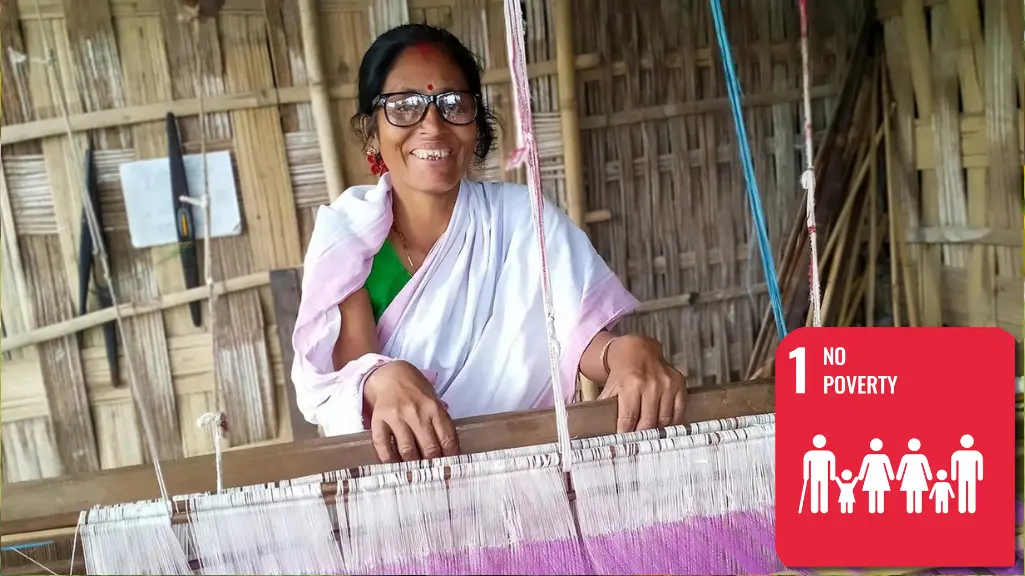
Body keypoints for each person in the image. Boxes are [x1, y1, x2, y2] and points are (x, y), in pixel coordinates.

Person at [290, 24, 687, 464]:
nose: (432, 126)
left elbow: (578, 341)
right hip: (409, 496)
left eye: (453, 104)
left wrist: (627, 352)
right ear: (371, 131)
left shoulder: (521, 220)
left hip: (530, 477)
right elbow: (350, 396)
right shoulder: (351, 242)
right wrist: (383, 379)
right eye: (404, 107)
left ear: (476, 125)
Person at [857, 438, 894, 514]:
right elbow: (864, 467)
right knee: (874, 492)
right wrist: (891, 476)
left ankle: (876, 509)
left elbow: (888, 467)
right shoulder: (871, 457)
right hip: (876, 478)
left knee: (876, 492)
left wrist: (861, 477)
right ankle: (874, 509)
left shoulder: (872, 457)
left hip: (876, 478)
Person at [896, 438, 932, 514]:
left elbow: (926, 467)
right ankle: (912, 509)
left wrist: (898, 477)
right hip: (914, 478)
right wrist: (929, 477)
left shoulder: (918, 457)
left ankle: (914, 509)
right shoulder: (918, 457)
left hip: (914, 478)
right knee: (912, 492)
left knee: (914, 492)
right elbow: (902, 467)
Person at [802, 434, 836, 514]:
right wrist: (806, 476)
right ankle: (815, 507)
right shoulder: (809, 454)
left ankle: (823, 507)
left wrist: (832, 475)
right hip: (815, 475)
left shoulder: (828, 454)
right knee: (815, 490)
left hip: (823, 475)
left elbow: (832, 464)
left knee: (823, 489)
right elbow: (806, 464)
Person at [951, 433, 983, 513]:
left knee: (971, 490)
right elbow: (954, 465)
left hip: (971, 475)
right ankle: (962, 508)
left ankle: (971, 508)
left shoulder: (976, 454)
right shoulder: (957, 454)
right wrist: (954, 476)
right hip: (962, 475)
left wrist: (979, 476)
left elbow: (979, 465)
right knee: (962, 490)